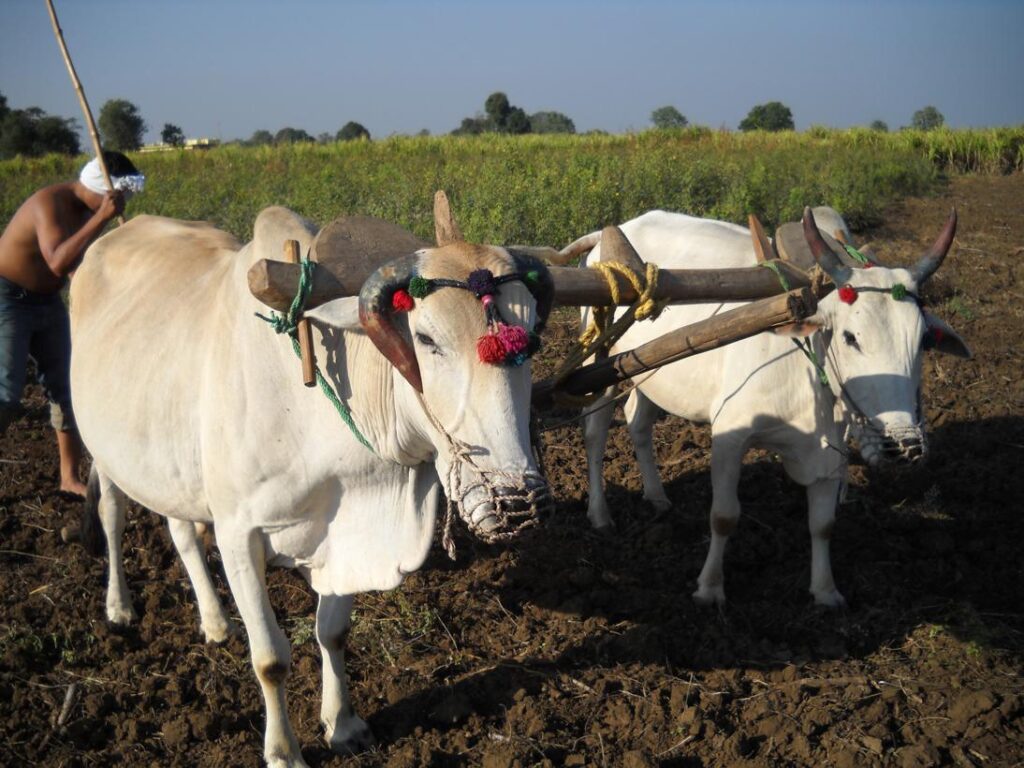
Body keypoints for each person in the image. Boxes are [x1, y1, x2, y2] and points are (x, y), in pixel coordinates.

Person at [0, 150, 144, 496]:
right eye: (115, 197)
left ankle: (69, 478)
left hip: (47, 301)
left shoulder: (88, 210)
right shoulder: (48, 203)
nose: (119, 203)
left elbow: (79, 267)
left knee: (66, 389)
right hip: (8, 299)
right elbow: (57, 261)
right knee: (6, 394)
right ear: (100, 189)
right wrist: (104, 218)